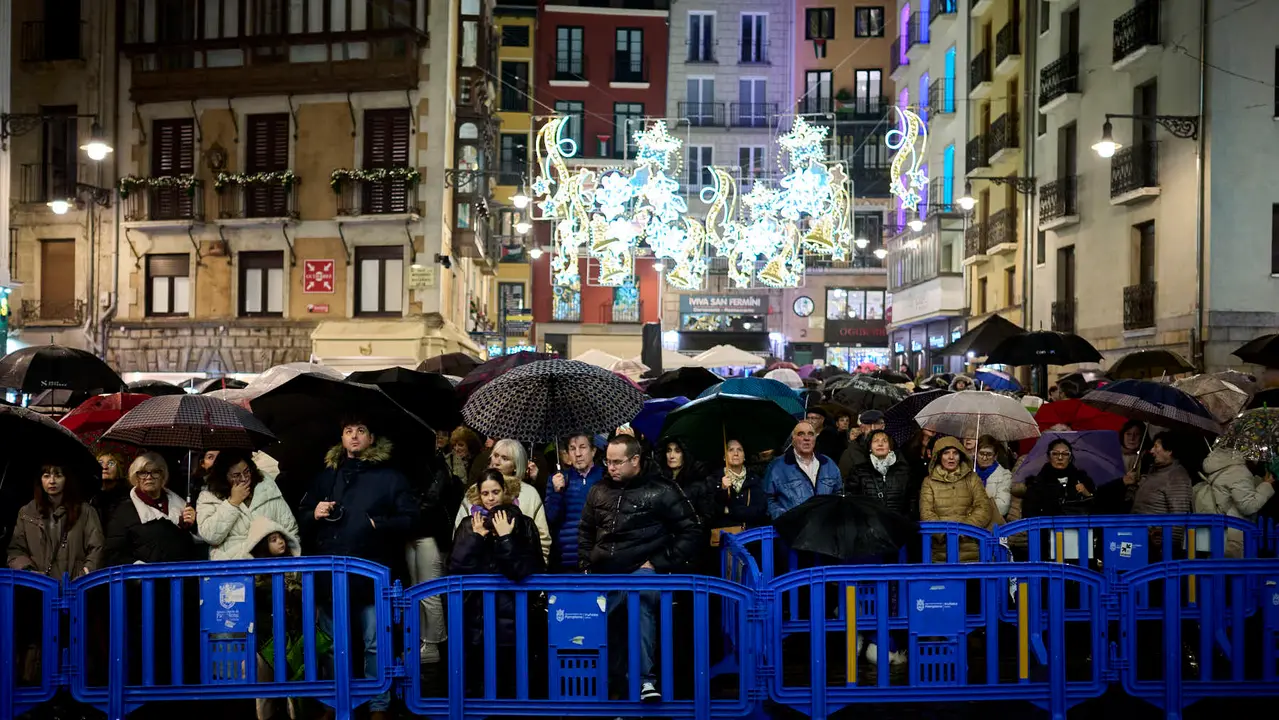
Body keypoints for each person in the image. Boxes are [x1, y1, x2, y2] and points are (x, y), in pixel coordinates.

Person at [297, 418, 418, 720]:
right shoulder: (326, 476)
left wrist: (377, 523)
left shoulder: (391, 477)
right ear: (341, 437)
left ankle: (379, 705)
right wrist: (314, 513)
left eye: (361, 431)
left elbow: (411, 519)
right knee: (332, 644)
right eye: (348, 431)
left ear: (371, 438)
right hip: (330, 573)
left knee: (375, 643)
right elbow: (301, 518)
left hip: (373, 573)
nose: (354, 436)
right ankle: (333, 700)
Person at [578, 435, 703, 703]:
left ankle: (642, 680)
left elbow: (691, 530)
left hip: (642, 569)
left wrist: (659, 561)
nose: (611, 467)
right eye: (607, 461)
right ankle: (618, 683)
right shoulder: (598, 490)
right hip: (604, 571)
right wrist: (586, 564)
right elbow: (585, 530)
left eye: (617, 462)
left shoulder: (662, 489)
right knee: (601, 616)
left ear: (635, 460)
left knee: (639, 598)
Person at [448, 470, 545, 696]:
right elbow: (455, 568)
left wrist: (505, 538)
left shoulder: (523, 524)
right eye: (485, 493)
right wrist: (476, 537)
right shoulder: (469, 524)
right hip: (477, 617)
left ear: (505, 492)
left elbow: (527, 570)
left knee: (513, 682)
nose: (490, 498)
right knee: (479, 683)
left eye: (495, 492)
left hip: (514, 617)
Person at [454, 439, 551, 563]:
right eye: (495, 456)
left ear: (516, 465)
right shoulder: (475, 490)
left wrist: (540, 564)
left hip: (518, 566)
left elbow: (542, 537)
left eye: (505, 458)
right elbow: (459, 534)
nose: (497, 462)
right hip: (477, 566)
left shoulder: (529, 494)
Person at [197, 450, 298, 561]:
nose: (244, 478)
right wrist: (232, 503)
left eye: (246, 472)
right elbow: (210, 536)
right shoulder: (208, 497)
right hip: (231, 565)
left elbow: (290, 529)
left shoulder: (266, 487)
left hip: (269, 564)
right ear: (223, 476)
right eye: (236, 475)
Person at [7, 465, 104, 578]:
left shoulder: (85, 511)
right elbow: (16, 550)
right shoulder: (27, 512)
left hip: (75, 584)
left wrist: (84, 575)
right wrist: (30, 573)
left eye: (58, 475)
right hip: (38, 585)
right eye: (46, 476)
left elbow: (97, 547)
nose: (52, 481)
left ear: (67, 478)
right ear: (40, 479)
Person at [105, 453, 201, 566]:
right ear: (136, 477)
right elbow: (114, 553)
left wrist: (194, 525)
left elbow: (197, 545)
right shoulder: (124, 511)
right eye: (143, 473)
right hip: (146, 576)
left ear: (163, 476)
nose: (149, 477)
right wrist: (139, 568)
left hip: (182, 574)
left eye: (155, 472)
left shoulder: (182, 506)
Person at [919, 437, 992, 561]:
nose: (951, 457)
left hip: (971, 546)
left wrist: (963, 530)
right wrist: (945, 534)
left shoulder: (972, 478)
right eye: (946, 453)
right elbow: (926, 513)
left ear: (961, 456)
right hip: (941, 550)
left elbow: (984, 508)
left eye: (955, 453)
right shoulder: (929, 482)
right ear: (939, 456)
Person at [1196, 447, 1275, 556]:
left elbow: (1234, 491)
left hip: (1219, 528)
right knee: (1233, 565)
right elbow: (1248, 506)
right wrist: (1267, 485)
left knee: (1217, 563)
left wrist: (1260, 482)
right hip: (1234, 533)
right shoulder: (1239, 471)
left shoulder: (1223, 467)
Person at [544, 433, 604, 571]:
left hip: (598, 556)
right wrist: (557, 492)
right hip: (566, 557)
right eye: (572, 448)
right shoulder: (557, 479)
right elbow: (551, 518)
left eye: (582, 447)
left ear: (593, 451)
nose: (578, 454)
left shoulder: (605, 477)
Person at [766, 421, 843, 519]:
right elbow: (768, 499)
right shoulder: (776, 467)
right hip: (793, 526)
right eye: (801, 434)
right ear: (793, 439)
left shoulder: (828, 464)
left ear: (815, 438)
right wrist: (784, 518)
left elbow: (838, 494)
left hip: (825, 524)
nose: (806, 438)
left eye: (810, 434)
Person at [1021, 439, 1096, 518]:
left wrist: (1087, 494)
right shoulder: (1037, 483)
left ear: (1070, 458)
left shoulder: (1082, 479)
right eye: (1055, 454)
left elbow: (1096, 510)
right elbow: (1028, 514)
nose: (1060, 458)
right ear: (1049, 457)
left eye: (1065, 454)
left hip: (1079, 524)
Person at [710, 438, 768, 536]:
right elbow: (713, 511)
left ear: (744, 456)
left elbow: (760, 510)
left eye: (739, 450)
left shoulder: (755, 479)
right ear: (724, 457)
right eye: (731, 450)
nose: (736, 453)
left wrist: (730, 511)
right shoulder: (714, 479)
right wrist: (722, 489)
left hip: (752, 535)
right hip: (726, 537)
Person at [847, 430, 912, 516]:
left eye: (884, 441)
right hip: (869, 521)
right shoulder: (859, 470)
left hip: (897, 521)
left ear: (890, 446)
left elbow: (911, 500)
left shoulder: (903, 470)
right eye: (876, 441)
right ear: (870, 447)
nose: (880, 444)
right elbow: (851, 499)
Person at [1130, 434, 1193, 518]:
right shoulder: (1153, 471)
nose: (1152, 450)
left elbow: (1179, 517)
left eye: (1156, 446)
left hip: (1156, 526)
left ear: (1169, 451)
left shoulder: (1177, 477)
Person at [658, 436, 715, 525]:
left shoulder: (698, 481)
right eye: (668, 451)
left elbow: (706, 517)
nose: (671, 456)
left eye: (677, 451)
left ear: (685, 454)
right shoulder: (660, 479)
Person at [973, 436, 1013, 519]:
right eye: (981, 453)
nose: (984, 458)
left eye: (989, 454)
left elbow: (1002, 507)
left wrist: (977, 509)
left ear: (995, 456)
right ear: (976, 453)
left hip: (992, 521)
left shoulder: (1004, 475)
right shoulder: (969, 471)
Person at [91, 451, 132, 523]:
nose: (104, 467)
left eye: (111, 463)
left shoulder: (128, 497)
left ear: (118, 469)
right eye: (100, 463)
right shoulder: (91, 496)